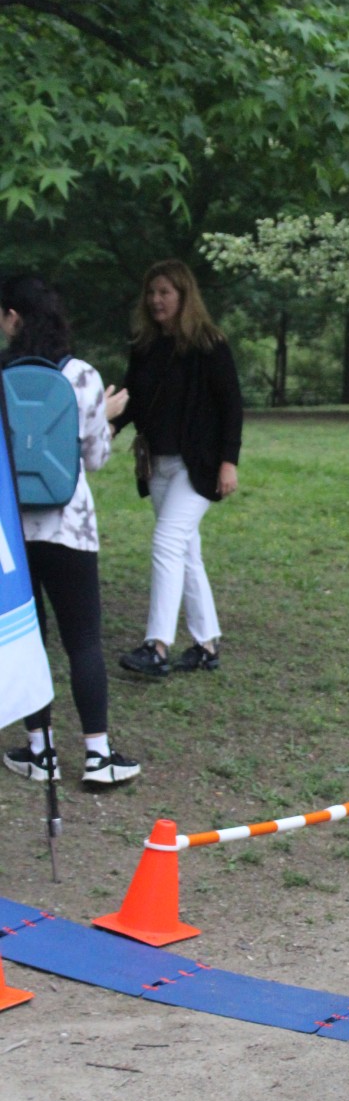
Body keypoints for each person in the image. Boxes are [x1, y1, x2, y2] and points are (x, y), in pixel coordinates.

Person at [0, 274, 141, 788]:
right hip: (70, 526)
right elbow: (95, 458)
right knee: (83, 640)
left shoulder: (3, 373)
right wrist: (106, 417)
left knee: (30, 637)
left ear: (14, 318)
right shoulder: (81, 375)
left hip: (13, 530)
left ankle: (41, 751)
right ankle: (99, 756)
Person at [115, 259, 242, 678]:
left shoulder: (209, 344)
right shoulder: (145, 346)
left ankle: (157, 647)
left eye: (165, 292)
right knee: (185, 551)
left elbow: (231, 405)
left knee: (167, 542)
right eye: (151, 292)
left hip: (198, 465)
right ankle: (206, 645)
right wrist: (105, 426)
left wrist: (228, 462)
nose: (156, 300)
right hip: (158, 464)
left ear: (184, 296)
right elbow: (132, 399)